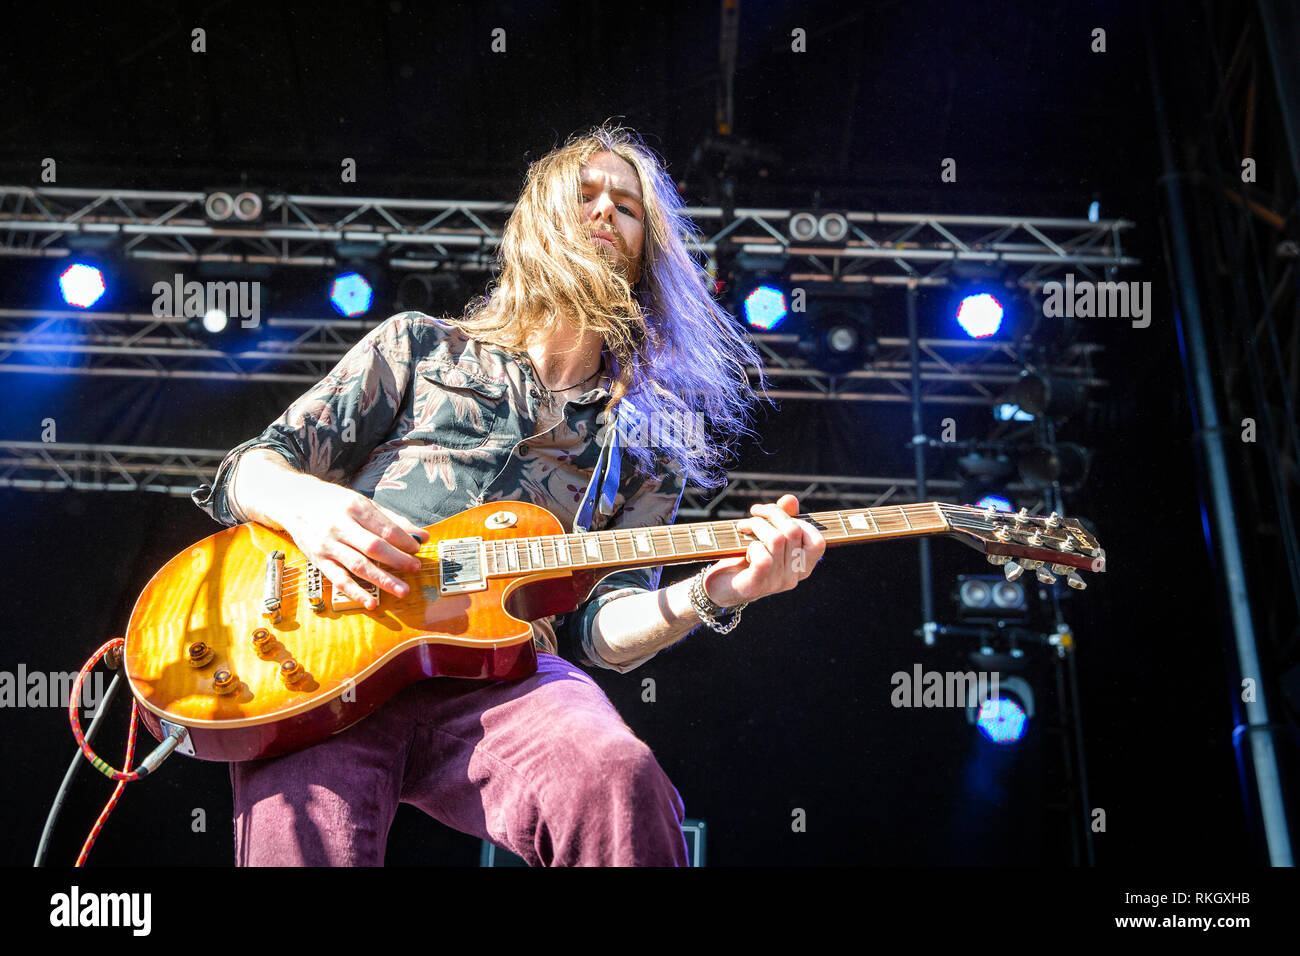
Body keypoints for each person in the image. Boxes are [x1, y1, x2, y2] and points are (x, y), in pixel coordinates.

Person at [192, 125, 826, 866]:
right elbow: (250, 470)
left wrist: (720, 591)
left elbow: (603, 629)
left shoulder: (647, 443)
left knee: (617, 780)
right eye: (584, 196)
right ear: (537, 225)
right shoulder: (418, 347)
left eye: (625, 206)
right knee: (301, 838)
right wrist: (314, 508)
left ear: (644, 250)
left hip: (505, 673)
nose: (605, 213)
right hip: (330, 652)